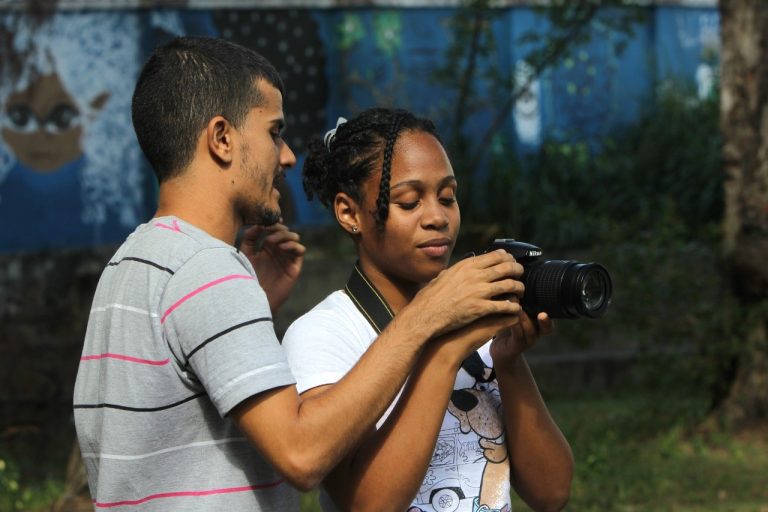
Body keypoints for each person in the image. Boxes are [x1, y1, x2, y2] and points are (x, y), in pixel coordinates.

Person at [72, 36, 526, 511]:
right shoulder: (208, 271)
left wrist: (255, 306)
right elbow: (303, 455)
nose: (287, 155)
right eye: (273, 132)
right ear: (222, 138)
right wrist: (426, 317)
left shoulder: (131, 261)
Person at [283, 108, 574, 512]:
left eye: (448, 197)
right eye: (408, 202)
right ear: (350, 213)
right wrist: (443, 352)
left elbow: (552, 492)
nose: (437, 217)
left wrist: (508, 364)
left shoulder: (476, 319)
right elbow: (367, 505)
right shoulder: (324, 334)